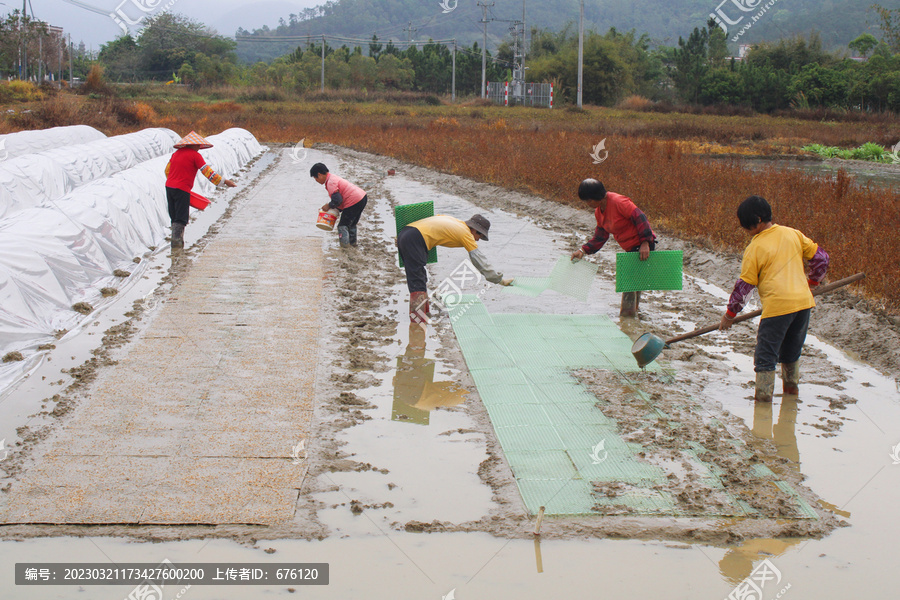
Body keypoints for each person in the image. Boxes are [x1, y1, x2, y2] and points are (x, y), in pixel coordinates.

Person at [718, 196, 829, 402]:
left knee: (765, 358)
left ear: (758, 220)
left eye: (747, 225)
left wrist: (729, 315)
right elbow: (821, 259)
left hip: (777, 309)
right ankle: (791, 395)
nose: (746, 230)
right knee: (790, 354)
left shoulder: (755, 248)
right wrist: (812, 285)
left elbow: (744, 288)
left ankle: (763, 402)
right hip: (803, 305)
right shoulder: (793, 234)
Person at [397, 213, 513, 323]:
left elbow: (432, 223)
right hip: (415, 239)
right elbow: (480, 261)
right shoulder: (466, 234)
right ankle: (417, 322)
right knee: (417, 280)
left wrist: (404, 238)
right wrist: (499, 280)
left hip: (407, 232)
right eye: (479, 235)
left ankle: (424, 314)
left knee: (420, 277)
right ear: (473, 229)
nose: (478, 240)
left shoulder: (455, 222)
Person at [570, 179, 657, 317]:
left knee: (629, 281)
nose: (588, 204)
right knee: (635, 282)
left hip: (641, 244)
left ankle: (627, 318)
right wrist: (583, 250)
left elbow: (641, 218)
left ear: (599, 196)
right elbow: (600, 236)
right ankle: (633, 312)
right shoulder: (599, 212)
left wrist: (645, 243)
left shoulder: (618, 202)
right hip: (630, 247)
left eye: (589, 200)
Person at [164, 131, 237, 250]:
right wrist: (225, 182)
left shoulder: (176, 154)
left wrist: (174, 180)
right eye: (198, 145)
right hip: (182, 189)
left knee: (174, 215)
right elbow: (208, 172)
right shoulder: (195, 156)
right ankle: (177, 246)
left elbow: (167, 171)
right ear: (192, 145)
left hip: (169, 187)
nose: (199, 148)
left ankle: (175, 243)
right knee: (181, 218)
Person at [310, 162, 368, 248]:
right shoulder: (333, 178)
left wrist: (328, 206)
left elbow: (337, 200)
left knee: (342, 226)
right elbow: (339, 201)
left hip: (353, 200)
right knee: (351, 224)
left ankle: (345, 248)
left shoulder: (330, 182)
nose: (316, 180)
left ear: (320, 174)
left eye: (315, 178)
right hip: (362, 198)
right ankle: (353, 244)